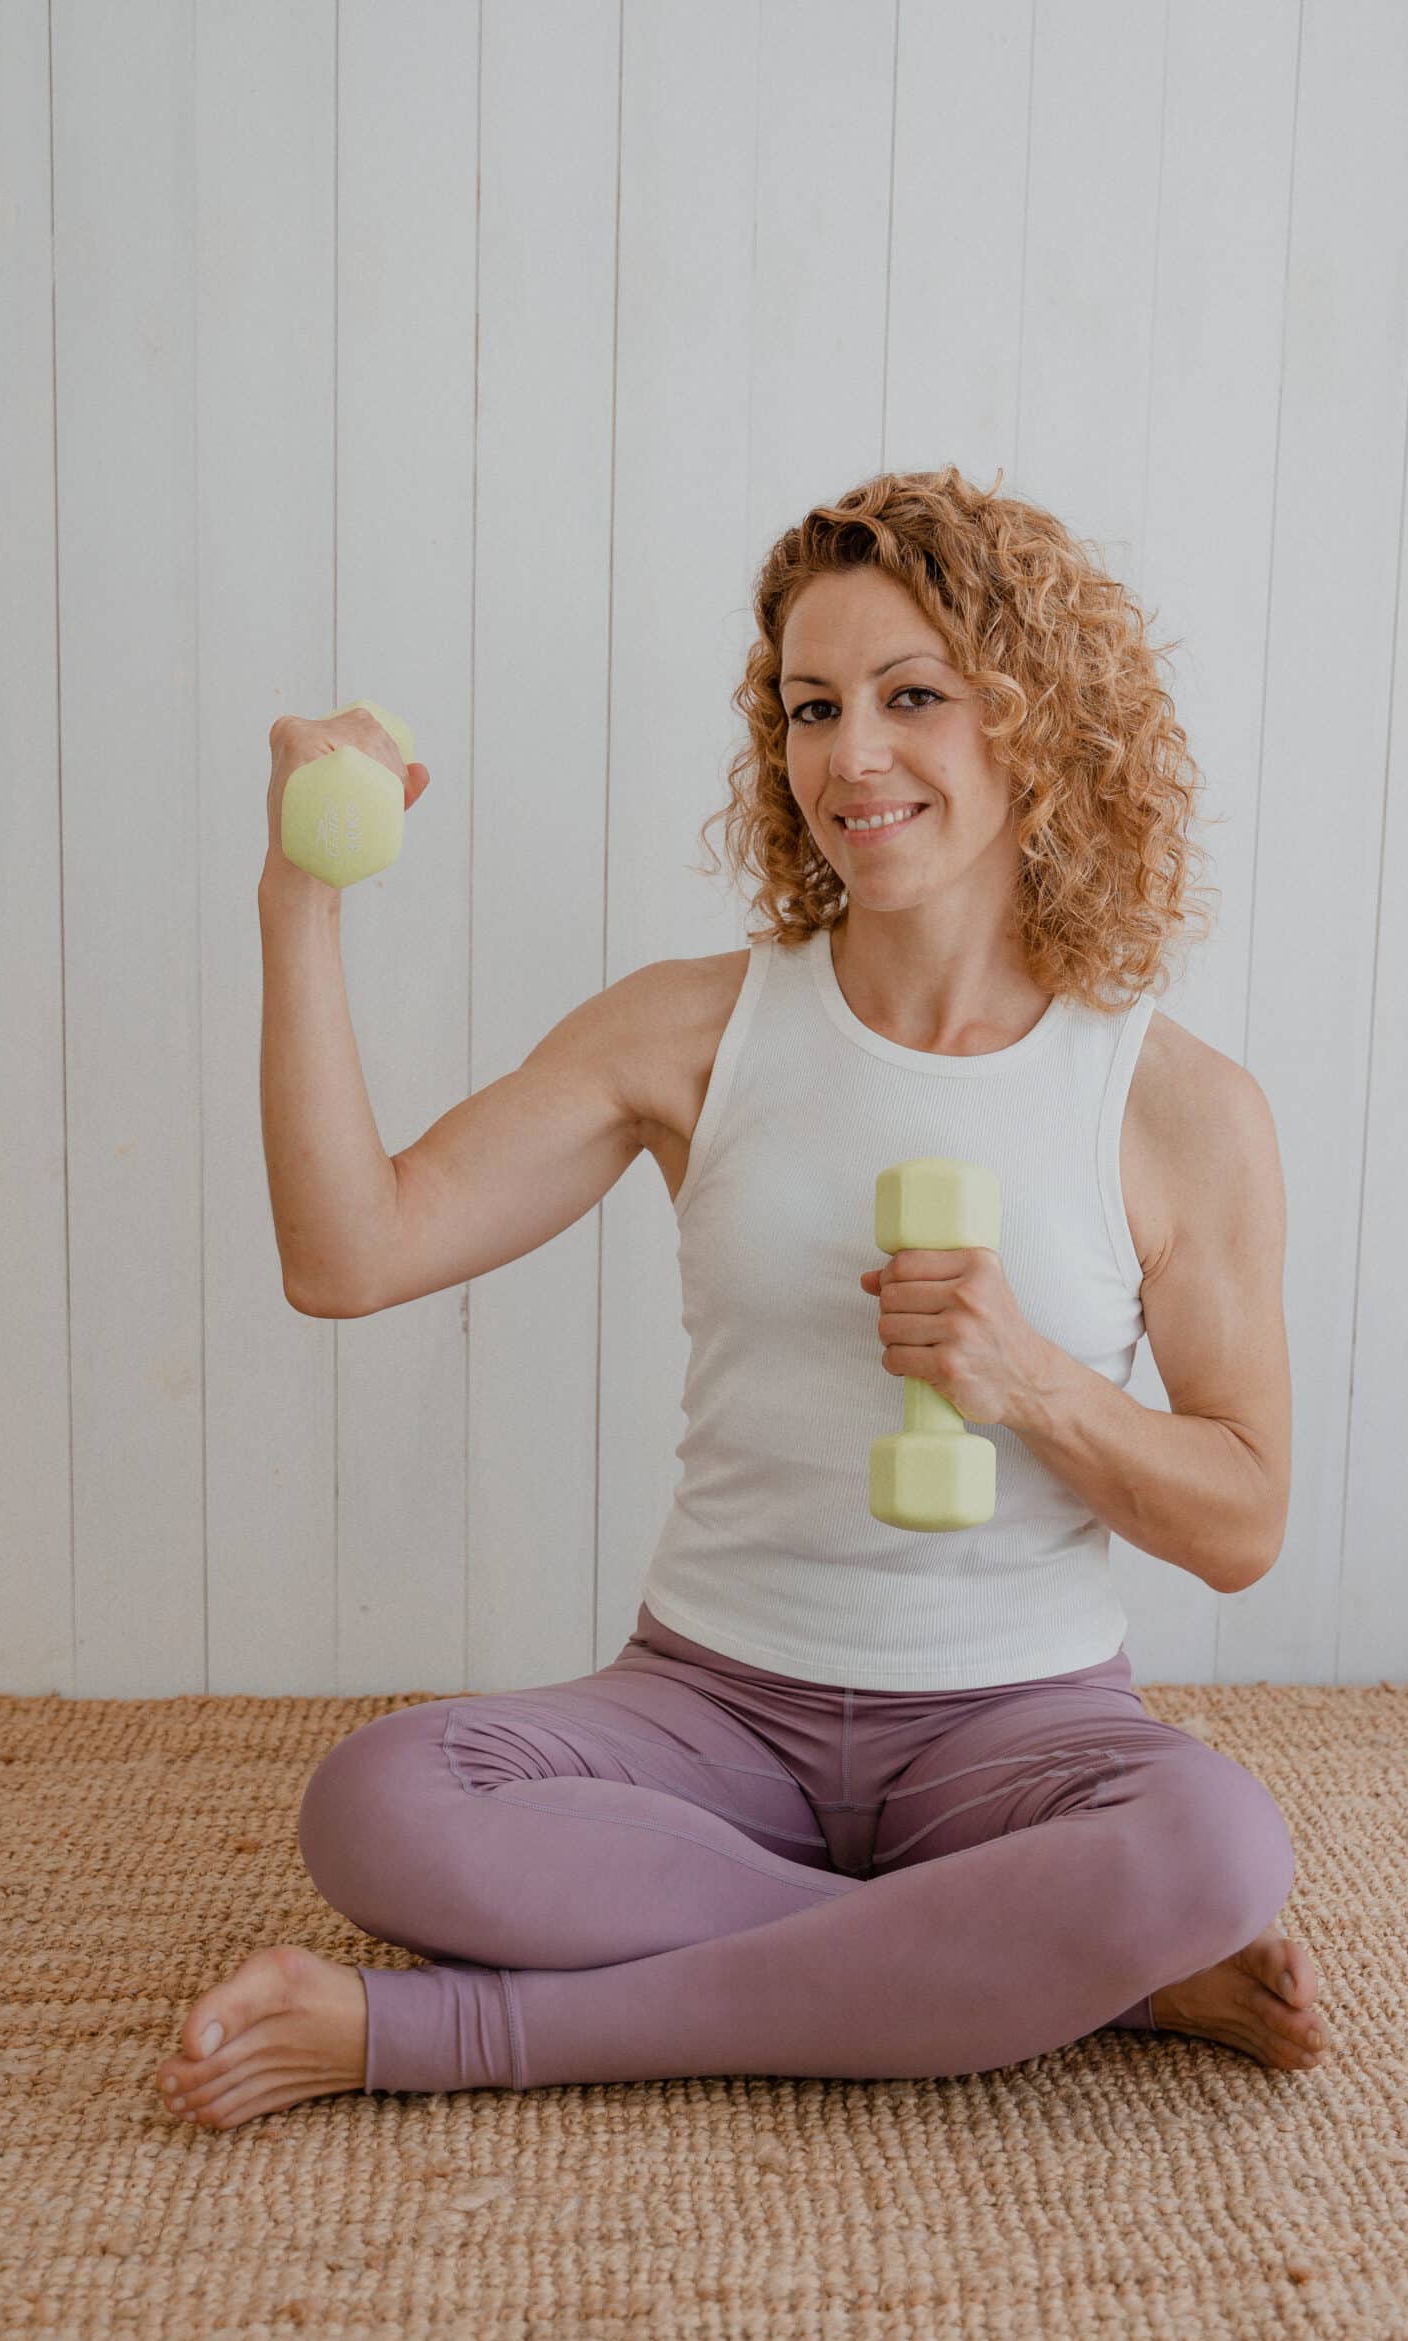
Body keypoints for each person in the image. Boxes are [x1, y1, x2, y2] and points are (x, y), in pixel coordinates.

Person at [156, 466, 1326, 2132]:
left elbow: (1244, 1521)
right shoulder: (694, 1031)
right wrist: (302, 901)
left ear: (1031, 722)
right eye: (810, 705)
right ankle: (1070, 1974)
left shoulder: (1177, 1107)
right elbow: (350, 1255)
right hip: (711, 1715)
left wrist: (1038, 1383)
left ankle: (438, 2040)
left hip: (1017, 1740)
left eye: (912, 697)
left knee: (1214, 1846)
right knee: (384, 1804)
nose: (852, 756)